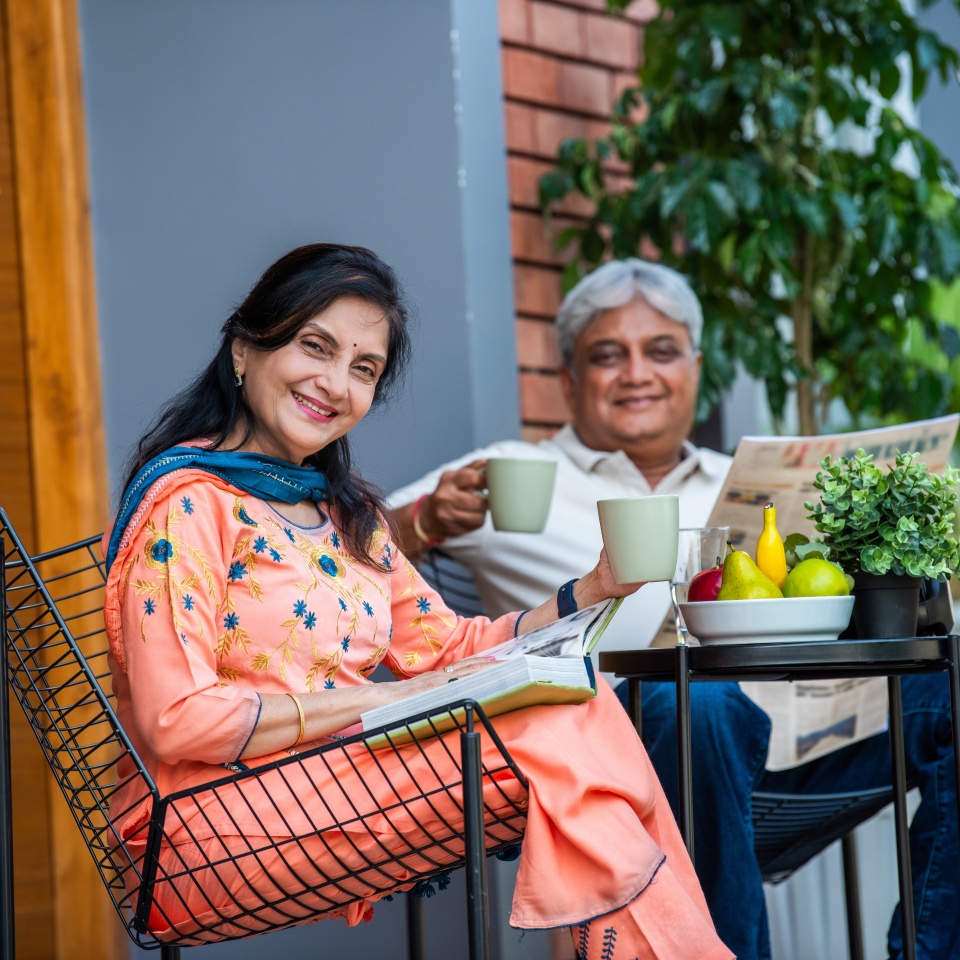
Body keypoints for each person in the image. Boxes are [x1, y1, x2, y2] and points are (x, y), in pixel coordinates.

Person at [101, 243, 732, 959]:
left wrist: (588, 594)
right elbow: (177, 723)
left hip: (331, 793)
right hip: (205, 835)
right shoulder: (187, 505)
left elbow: (451, 651)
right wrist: (392, 701)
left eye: (363, 369)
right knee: (564, 728)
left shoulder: (346, 516)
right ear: (245, 350)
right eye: (316, 347)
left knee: (579, 710)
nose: (336, 384)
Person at [387, 257, 960, 960]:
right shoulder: (506, 474)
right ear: (568, 378)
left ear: (694, 369)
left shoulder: (745, 475)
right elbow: (342, 546)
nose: (637, 373)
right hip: (620, 763)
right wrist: (423, 520)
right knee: (692, 700)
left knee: (951, 691)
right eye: (607, 355)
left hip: (790, 754)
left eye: (660, 351)